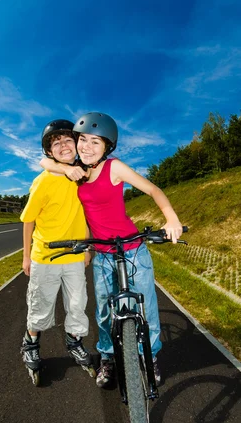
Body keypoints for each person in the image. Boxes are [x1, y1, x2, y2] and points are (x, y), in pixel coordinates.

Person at [40, 112, 183, 388]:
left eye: (96, 142)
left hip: (132, 250)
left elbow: (153, 190)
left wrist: (171, 219)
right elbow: (44, 161)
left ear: (108, 147)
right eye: (83, 140)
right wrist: (66, 169)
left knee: (145, 308)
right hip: (103, 254)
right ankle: (107, 357)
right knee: (104, 312)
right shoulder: (77, 170)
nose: (87, 147)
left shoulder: (114, 168)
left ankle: (149, 357)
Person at [20, 119, 95, 383]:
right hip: (45, 255)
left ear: (76, 144)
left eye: (67, 140)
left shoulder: (83, 175)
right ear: (50, 152)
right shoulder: (42, 182)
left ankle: (74, 341)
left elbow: (85, 215)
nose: (63, 145)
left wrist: (87, 248)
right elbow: (28, 219)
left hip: (75, 254)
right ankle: (30, 344)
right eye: (56, 143)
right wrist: (26, 256)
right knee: (40, 306)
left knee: (77, 305)